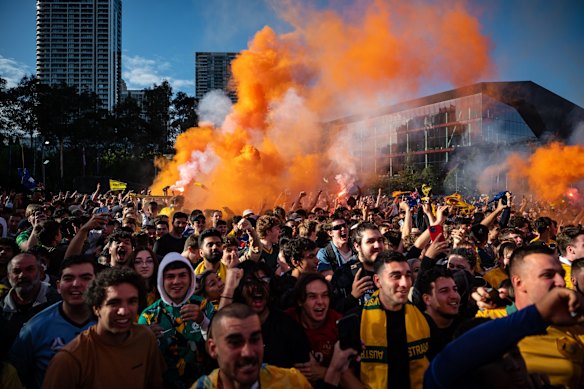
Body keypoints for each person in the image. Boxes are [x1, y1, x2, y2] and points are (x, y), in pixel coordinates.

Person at [425, 287, 584, 389]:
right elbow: (452, 357)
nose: (513, 366)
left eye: (516, 355)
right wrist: (538, 314)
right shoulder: (443, 378)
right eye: (497, 359)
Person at [473, 244, 584, 388]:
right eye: (547, 275)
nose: (561, 282)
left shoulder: (575, 326)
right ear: (518, 282)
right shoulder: (489, 321)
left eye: (562, 275)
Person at [43, 267, 165, 388]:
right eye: (114, 303)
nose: (124, 311)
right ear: (96, 308)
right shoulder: (69, 360)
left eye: (132, 301)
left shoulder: (146, 338)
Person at [193, 303, 356, 389]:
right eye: (235, 342)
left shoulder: (291, 382)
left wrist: (334, 369)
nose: (248, 352)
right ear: (213, 349)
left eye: (255, 339)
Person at [9, 256, 97, 388]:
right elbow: (17, 376)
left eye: (85, 278)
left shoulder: (115, 323)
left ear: (98, 284)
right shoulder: (35, 328)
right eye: (68, 278)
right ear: (58, 286)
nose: (76, 284)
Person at [355, 250, 431, 389]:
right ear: (378, 281)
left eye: (408, 275)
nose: (405, 283)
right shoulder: (357, 319)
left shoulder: (422, 317)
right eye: (396, 276)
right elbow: (343, 371)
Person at [138, 252, 214, 388]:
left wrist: (203, 321)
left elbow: (219, 346)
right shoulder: (149, 316)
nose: (176, 281)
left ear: (191, 278)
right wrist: (146, 339)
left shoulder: (204, 306)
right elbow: (141, 363)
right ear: (161, 280)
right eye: (170, 277)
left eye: (182, 275)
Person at [1, 253, 61, 349]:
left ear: (41, 273)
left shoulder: (59, 304)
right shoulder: (1, 305)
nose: (22, 275)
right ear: (8, 277)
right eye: (17, 271)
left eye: (29, 269)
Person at [331, 222, 383, 313]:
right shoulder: (344, 273)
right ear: (357, 246)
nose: (377, 245)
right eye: (370, 241)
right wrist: (353, 297)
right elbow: (333, 310)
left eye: (380, 240)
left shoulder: (389, 270)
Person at [416, 267, 461, 360]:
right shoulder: (415, 332)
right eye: (444, 291)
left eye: (455, 289)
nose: (454, 296)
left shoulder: (465, 327)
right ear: (427, 299)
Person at [317, 212, 356, 280]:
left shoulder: (357, 247)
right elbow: (329, 280)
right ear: (330, 233)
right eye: (338, 227)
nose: (343, 229)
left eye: (344, 225)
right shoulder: (324, 254)